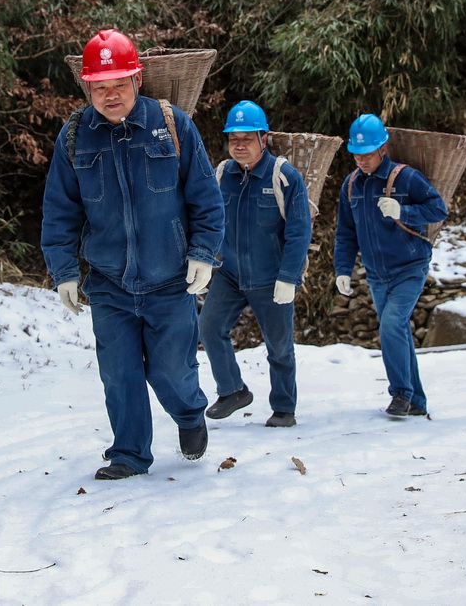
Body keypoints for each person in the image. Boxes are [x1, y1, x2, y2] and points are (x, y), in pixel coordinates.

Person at [41, 29, 225, 480]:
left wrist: (203, 252)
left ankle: (189, 414)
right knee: (119, 374)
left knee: (171, 371)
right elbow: (60, 210)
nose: (110, 95)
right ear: (87, 88)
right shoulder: (75, 136)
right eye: (99, 87)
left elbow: (206, 197)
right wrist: (64, 271)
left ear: (137, 80)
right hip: (110, 283)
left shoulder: (173, 125)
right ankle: (129, 453)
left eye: (119, 84)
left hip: (170, 280)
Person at [199, 101, 312, 428]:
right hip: (231, 274)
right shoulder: (222, 174)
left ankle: (284, 409)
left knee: (279, 347)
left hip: (271, 277)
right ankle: (232, 391)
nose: (239, 144)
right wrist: (203, 258)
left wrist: (289, 277)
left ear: (263, 138)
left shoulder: (284, 176)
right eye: (233, 138)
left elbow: (299, 230)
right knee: (209, 327)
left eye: (247, 138)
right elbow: (207, 220)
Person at [333, 114, 447, 417]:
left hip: (410, 266)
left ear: (383, 148)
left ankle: (400, 393)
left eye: (367, 153)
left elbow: (438, 209)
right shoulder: (351, 185)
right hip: (376, 274)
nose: (362, 160)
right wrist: (342, 269)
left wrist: (403, 211)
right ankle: (416, 401)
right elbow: (345, 232)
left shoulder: (406, 177)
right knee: (399, 332)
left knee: (392, 325)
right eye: (357, 154)